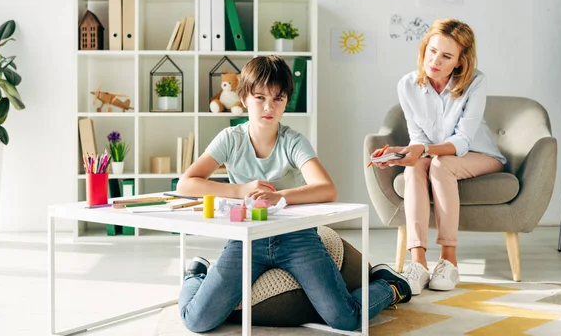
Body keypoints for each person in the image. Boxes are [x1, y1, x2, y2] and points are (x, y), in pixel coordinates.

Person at [176, 55, 411, 333]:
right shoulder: (231, 139)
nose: (268, 107)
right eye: (260, 97)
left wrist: (281, 196)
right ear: (244, 98)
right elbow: (186, 184)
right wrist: (241, 190)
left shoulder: (293, 141)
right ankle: (197, 274)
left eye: (278, 98)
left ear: (287, 101)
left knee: (345, 319)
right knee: (196, 320)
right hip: (247, 239)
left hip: (297, 238)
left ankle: (388, 285)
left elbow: (326, 188)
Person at [371, 18, 506, 295]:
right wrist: (405, 153)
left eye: (446, 56)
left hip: (479, 154)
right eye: (432, 51)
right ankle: (417, 263)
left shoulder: (476, 82)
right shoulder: (407, 85)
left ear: (459, 61)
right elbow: (418, 137)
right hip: (434, 155)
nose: (435, 60)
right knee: (413, 170)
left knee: (440, 165)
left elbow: (463, 141)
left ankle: (448, 260)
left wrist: (423, 150)